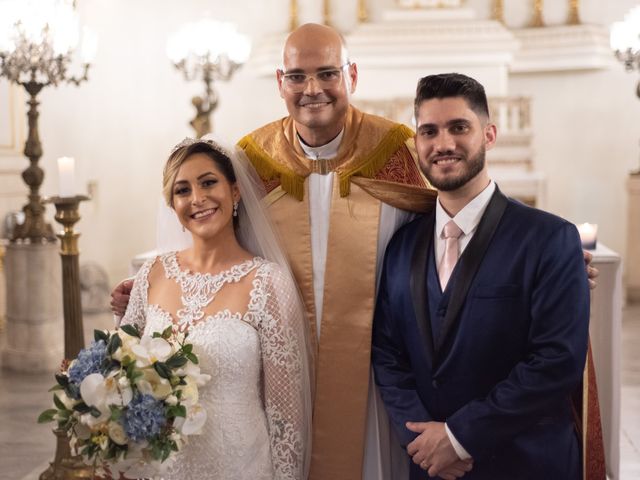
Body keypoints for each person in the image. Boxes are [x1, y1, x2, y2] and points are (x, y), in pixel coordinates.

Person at [112, 24, 599, 480]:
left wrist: (552, 261)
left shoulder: (400, 149)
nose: (313, 89)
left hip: (377, 387)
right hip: (269, 371)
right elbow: (212, 234)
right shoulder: (252, 160)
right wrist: (165, 292)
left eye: (328, 73)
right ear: (280, 82)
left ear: (351, 76)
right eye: (298, 76)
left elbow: (464, 199)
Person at [371, 73, 597, 480]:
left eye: (459, 127)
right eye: (429, 131)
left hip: (526, 463)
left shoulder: (549, 238)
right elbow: (387, 355)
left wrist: (459, 438)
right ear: (417, 143)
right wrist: (424, 441)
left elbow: (556, 361)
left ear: (489, 134)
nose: (443, 144)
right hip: (431, 467)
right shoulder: (401, 245)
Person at [119, 137, 312, 479]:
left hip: (240, 467)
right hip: (159, 469)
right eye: (182, 190)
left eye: (208, 182)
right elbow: (124, 373)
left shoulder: (267, 283)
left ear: (235, 192)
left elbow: (286, 417)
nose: (197, 199)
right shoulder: (152, 274)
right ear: (172, 205)